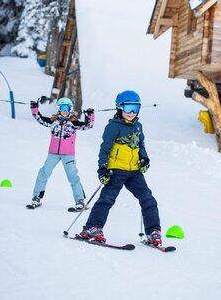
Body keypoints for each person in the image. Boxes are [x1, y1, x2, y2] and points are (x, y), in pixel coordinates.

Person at [79, 90, 162, 246]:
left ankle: (153, 232)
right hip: (115, 170)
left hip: (134, 172)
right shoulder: (113, 127)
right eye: (128, 108)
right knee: (106, 199)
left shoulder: (138, 126)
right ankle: (92, 228)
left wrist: (144, 159)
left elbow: (140, 145)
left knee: (148, 199)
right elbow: (105, 149)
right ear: (119, 108)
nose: (131, 113)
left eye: (135, 108)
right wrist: (102, 168)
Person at [28, 97, 95, 210]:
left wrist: (89, 116)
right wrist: (34, 108)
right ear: (58, 109)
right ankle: (36, 197)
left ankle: (80, 201)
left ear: (70, 109)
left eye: (67, 108)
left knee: (73, 176)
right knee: (44, 173)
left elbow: (88, 126)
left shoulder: (74, 122)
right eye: (62, 108)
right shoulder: (53, 121)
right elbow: (39, 119)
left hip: (68, 154)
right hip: (53, 153)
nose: (65, 111)